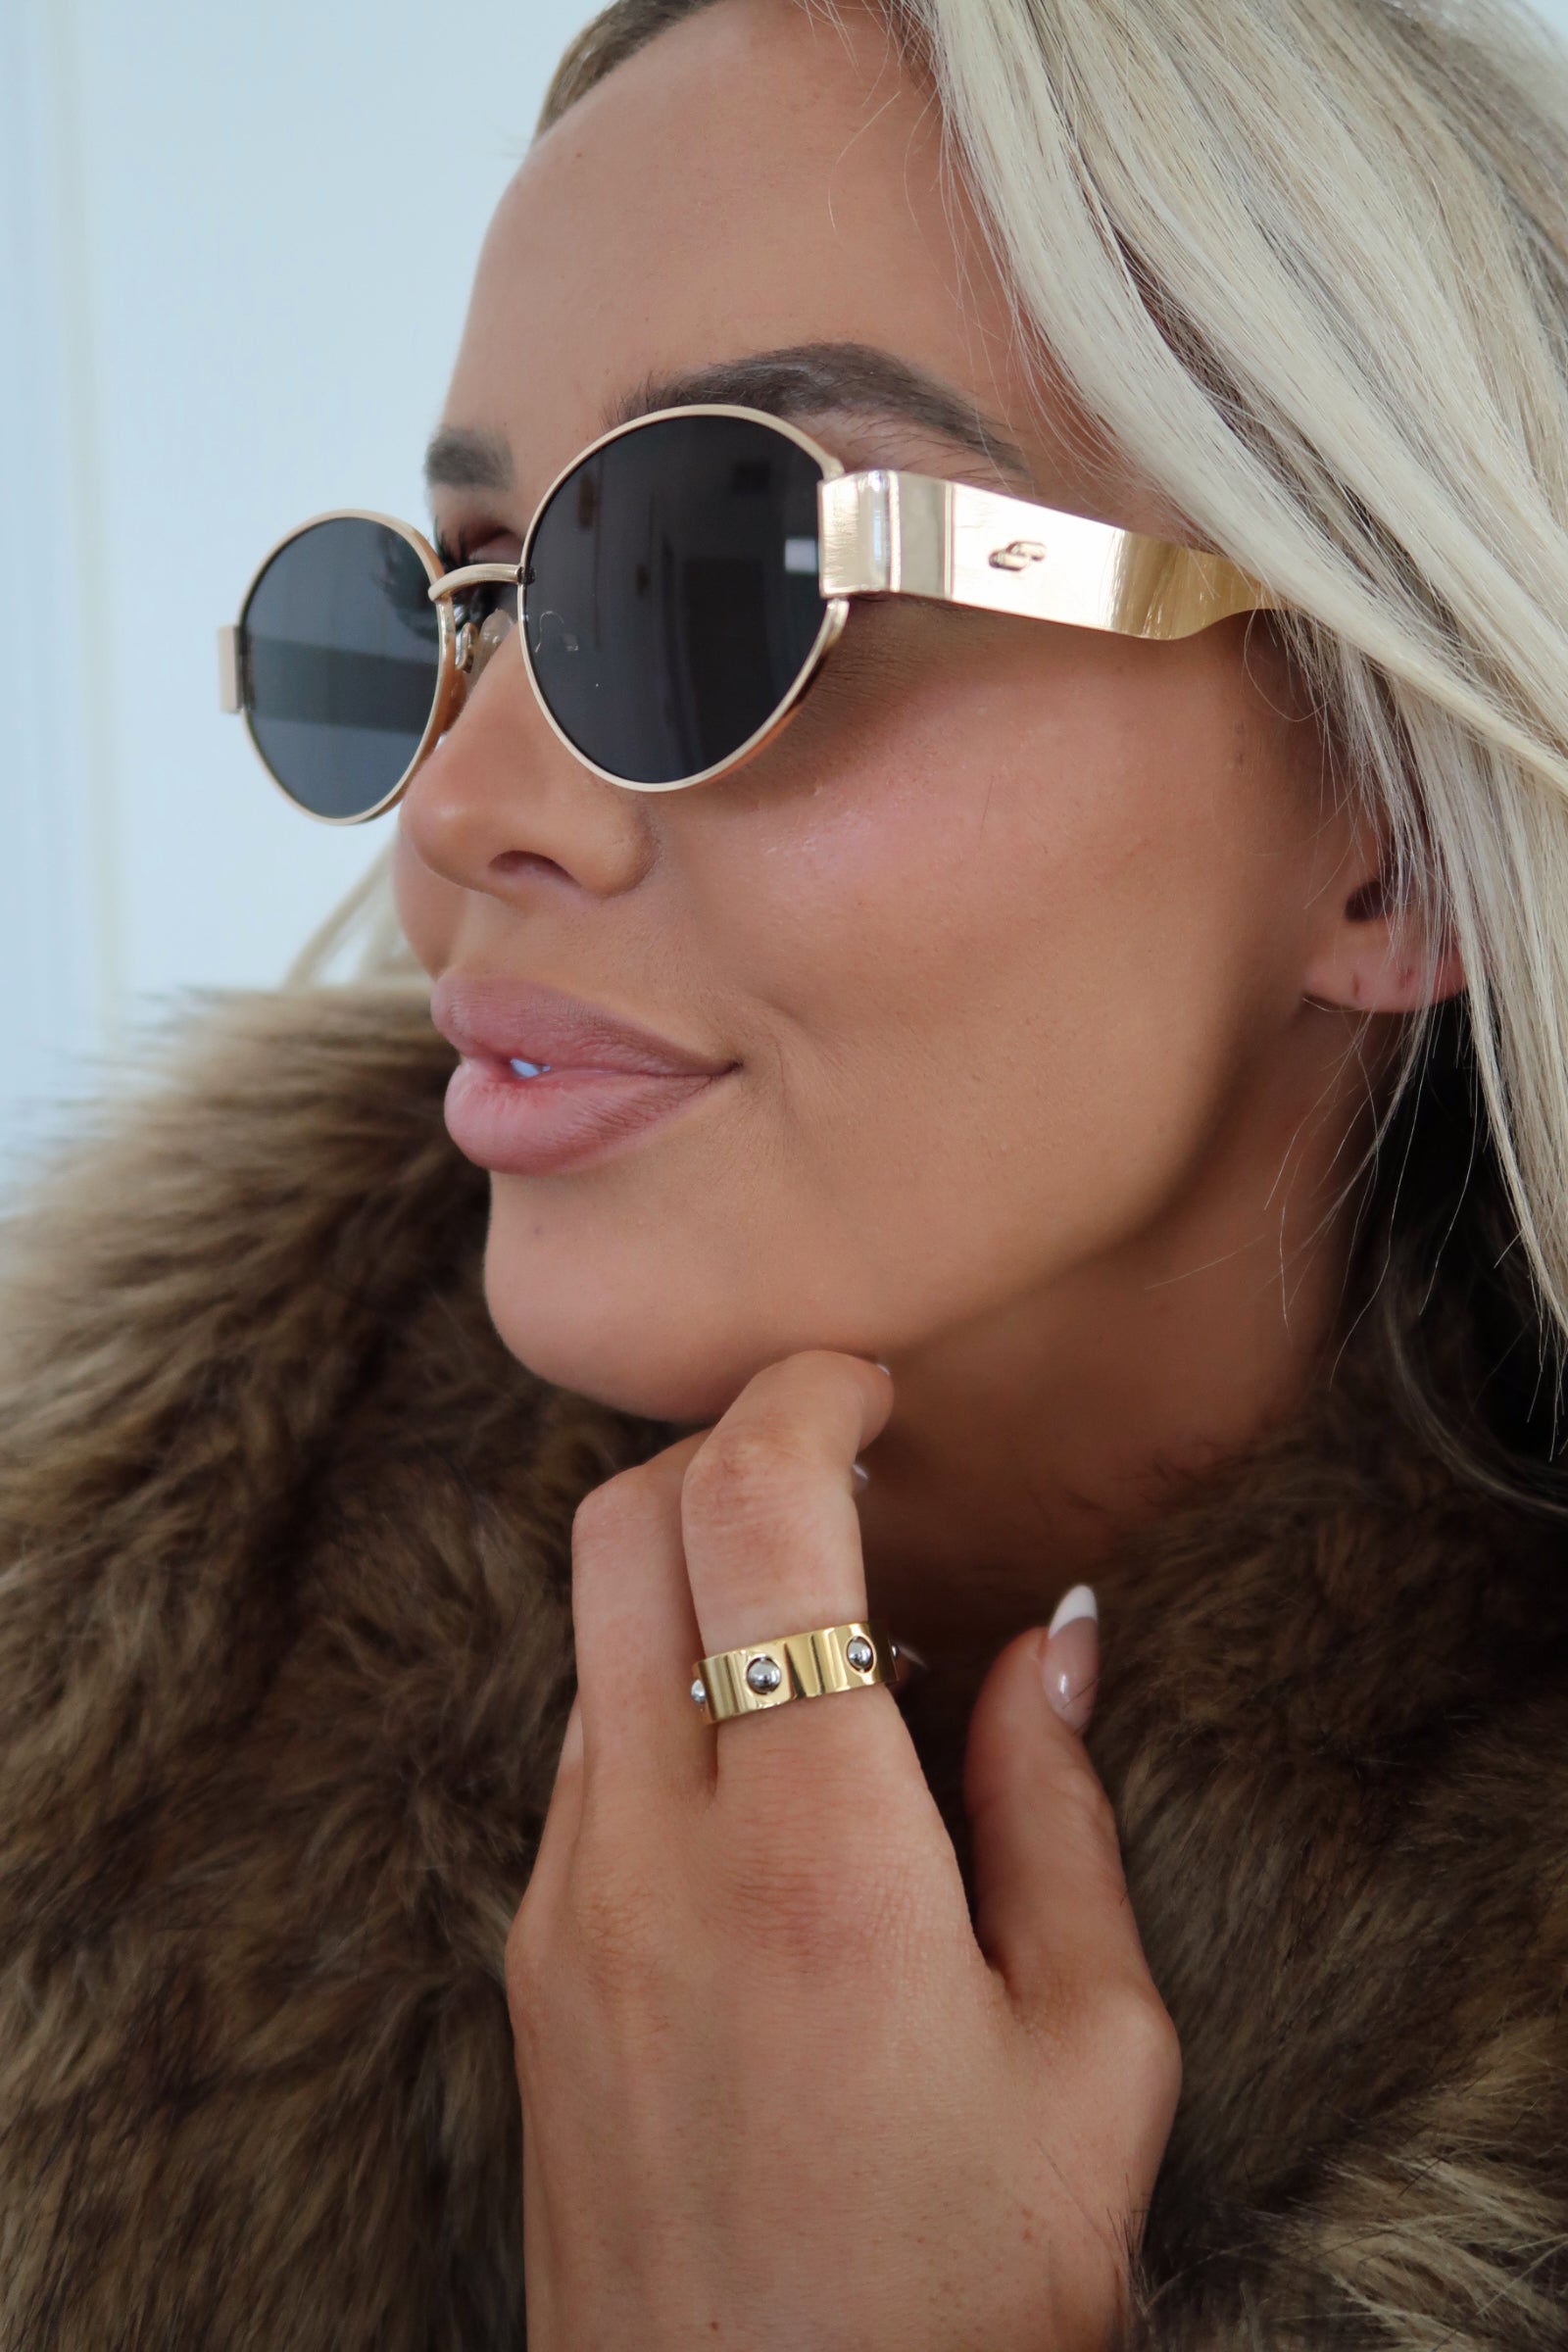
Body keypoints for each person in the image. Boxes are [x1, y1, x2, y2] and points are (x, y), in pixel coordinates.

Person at [4, 0, 1568, 2341]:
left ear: (1392, 834)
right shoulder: (78, 1740)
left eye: (725, 578)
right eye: (446, 608)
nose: (455, 812)